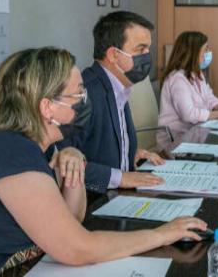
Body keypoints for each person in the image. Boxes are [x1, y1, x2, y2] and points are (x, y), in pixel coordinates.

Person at [0, 47, 207, 276]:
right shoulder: (7, 150)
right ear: (47, 107)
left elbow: (72, 219)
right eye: (77, 96)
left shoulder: (36, 146)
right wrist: (163, 234)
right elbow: (76, 248)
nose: (85, 103)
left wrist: (74, 163)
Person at [59, 11, 165, 194]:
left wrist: (129, 152)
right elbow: (63, 162)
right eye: (140, 50)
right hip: (93, 204)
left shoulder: (119, 86)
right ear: (114, 55)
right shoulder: (83, 94)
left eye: (148, 49)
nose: (147, 56)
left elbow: (98, 143)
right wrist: (120, 178)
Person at [158, 31, 218, 136]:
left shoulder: (197, 74)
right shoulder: (177, 80)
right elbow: (189, 115)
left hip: (195, 133)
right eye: (206, 49)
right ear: (193, 53)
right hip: (176, 138)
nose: (209, 52)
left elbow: (209, 97)